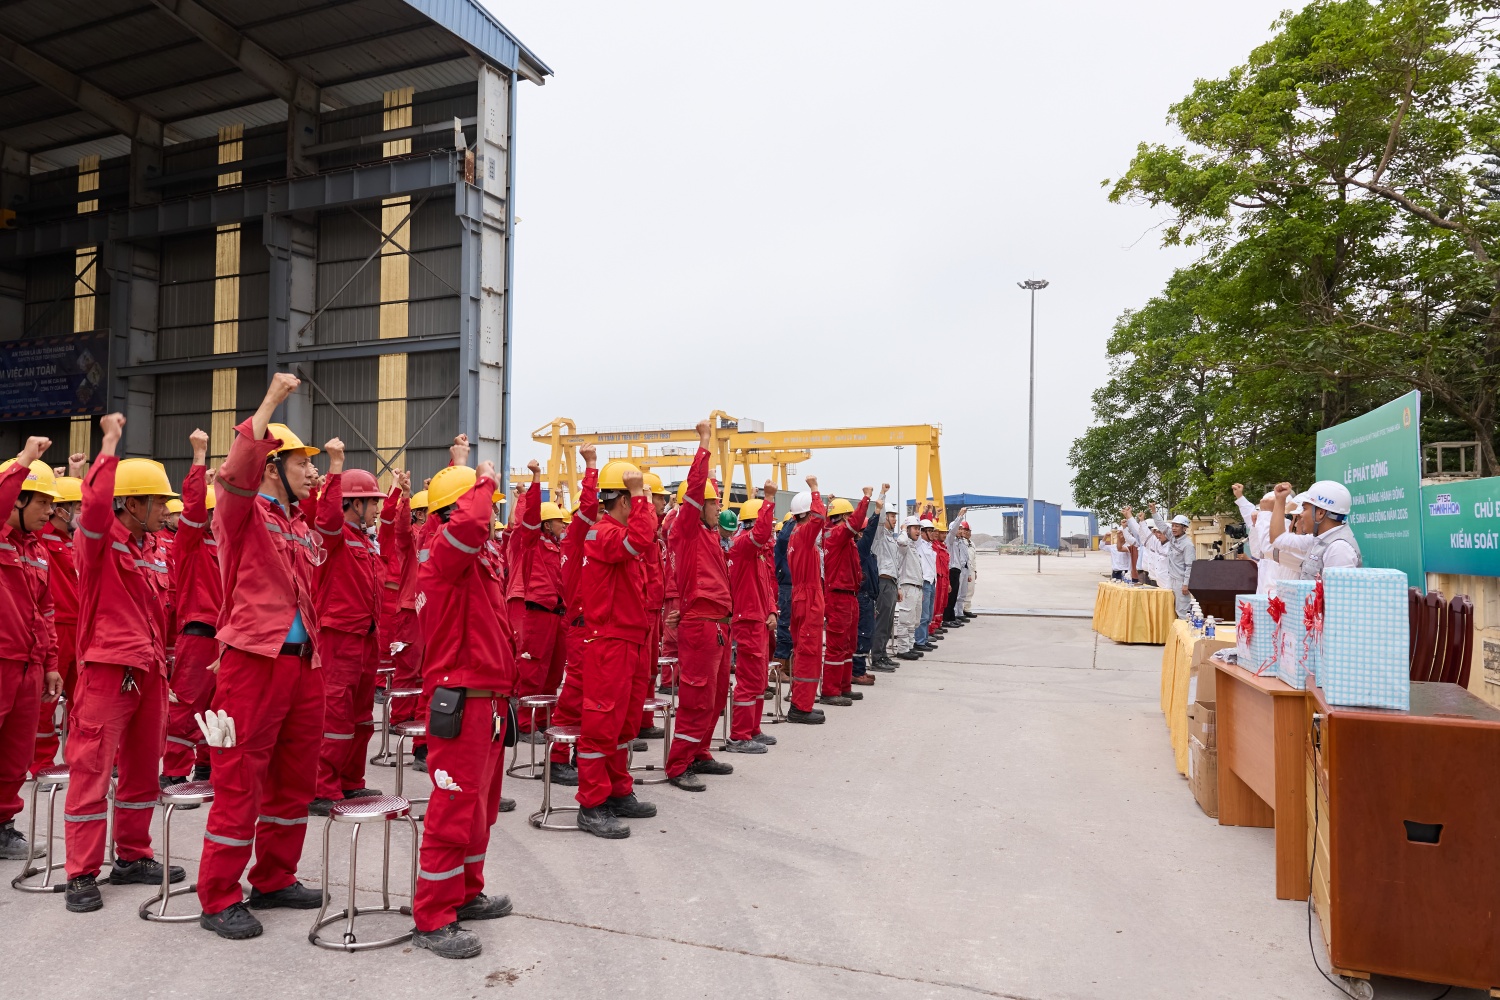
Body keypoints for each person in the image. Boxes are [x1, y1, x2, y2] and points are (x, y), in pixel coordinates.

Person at [196, 375, 332, 939]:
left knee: (293, 779)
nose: (311, 470)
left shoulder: (294, 523)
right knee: (240, 777)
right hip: (254, 660)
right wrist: (271, 403)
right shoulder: (240, 513)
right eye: (301, 462)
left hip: (302, 663)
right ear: (273, 465)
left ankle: (274, 877)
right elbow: (235, 474)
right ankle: (218, 896)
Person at [64, 416, 181, 912]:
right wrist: (108, 446)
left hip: (149, 669)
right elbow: (92, 508)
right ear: (131, 503)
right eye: (157, 502)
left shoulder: (154, 548)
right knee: (91, 768)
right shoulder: (99, 542)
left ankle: (132, 855)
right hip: (109, 670)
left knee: (141, 769)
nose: (164, 511)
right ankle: (81, 873)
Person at [410, 459, 517, 958]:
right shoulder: (442, 553)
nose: (491, 518)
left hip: (488, 699)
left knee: (479, 811)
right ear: (455, 511)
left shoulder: (472, 560)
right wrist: (486, 479)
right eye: (484, 506)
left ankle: (466, 895)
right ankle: (433, 917)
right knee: (453, 811)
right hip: (463, 700)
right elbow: (472, 524)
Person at [575, 459, 658, 837]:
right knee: (600, 724)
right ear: (624, 500)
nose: (647, 504)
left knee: (623, 724)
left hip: (629, 641)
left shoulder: (615, 536)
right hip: (609, 643)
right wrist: (641, 496)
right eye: (639, 498)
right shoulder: (602, 534)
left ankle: (617, 791)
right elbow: (641, 538)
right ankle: (592, 805)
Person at [308, 455, 389, 814]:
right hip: (338, 636)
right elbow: (325, 519)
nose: (377, 508)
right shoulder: (335, 535)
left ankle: (349, 781)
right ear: (354, 503)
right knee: (334, 715)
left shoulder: (366, 540)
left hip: (365, 636)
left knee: (360, 716)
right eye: (373, 501)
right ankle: (321, 787)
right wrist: (335, 470)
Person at [0, 442, 62, 860]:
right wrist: (23, 460)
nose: (49, 512)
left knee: (15, 753)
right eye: (41, 502)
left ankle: (3, 827)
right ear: (17, 499)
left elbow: (46, 609)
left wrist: (51, 663)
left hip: (28, 664)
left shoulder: (36, 550)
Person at [666, 420, 734, 790]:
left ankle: (700, 751)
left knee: (715, 693)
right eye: (713, 501)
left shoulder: (709, 537)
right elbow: (694, 490)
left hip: (719, 626)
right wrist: (704, 443)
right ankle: (679, 764)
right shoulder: (686, 530)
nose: (718, 506)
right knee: (696, 695)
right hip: (702, 626)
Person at [161, 430, 222, 788]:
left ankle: (206, 767)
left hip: (225, 638)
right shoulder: (191, 545)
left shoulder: (229, 547)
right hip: (199, 634)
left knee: (218, 707)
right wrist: (199, 458)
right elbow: (195, 507)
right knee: (186, 706)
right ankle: (172, 772)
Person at [548, 445, 599, 786]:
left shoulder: (571, 543)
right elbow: (589, 506)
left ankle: (581, 751)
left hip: (588, 626)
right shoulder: (576, 541)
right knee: (576, 694)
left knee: (589, 695)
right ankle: (558, 759)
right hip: (582, 628)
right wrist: (591, 467)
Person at [513, 461, 570, 741]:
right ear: (547, 523)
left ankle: (544, 720)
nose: (563, 523)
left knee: (554, 672)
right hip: (538, 614)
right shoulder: (533, 542)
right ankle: (526, 725)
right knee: (533, 670)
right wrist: (536, 479)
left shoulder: (558, 546)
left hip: (557, 616)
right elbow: (531, 515)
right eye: (559, 520)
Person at [32, 465, 81, 775]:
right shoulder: (42, 537)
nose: (82, 513)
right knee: (48, 700)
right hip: (58, 626)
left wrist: (77, 473)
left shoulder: (75, 540)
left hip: (82, 626)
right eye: (78, 507)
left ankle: (80, 759)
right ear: (59, 510)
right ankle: (41, 761)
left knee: (83, 701)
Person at [724, 482, 777, 752]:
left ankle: (753, 729)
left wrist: (770, 611)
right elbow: (762, 531)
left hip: (757, 618)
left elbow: (765, 585)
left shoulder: (755, 552)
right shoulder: (744, 545)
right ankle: (740, 735)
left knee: (758, 678)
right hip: (747, 621)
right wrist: (768, 499)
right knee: (748, 678)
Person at [820, 490, 871, 706]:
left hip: (849, 595)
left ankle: (843, 686)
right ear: (842, 518)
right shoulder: (836, 535)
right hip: (839, 597)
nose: (853, 520)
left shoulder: (840, 535)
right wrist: (865, 499)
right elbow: (856, 523)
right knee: (836, 645)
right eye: (848, 516)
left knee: (849, 644)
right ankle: (831, 691)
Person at [785, 476, 828, 724]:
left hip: (803, 595)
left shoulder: (795, 535)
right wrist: (815, 489)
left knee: (805, 650)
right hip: (808, 596)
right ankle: (801, 707)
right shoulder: (803, 533)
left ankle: (804, 702)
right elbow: (821, 517)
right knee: (809, 652)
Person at [1270, 481, 1360, 578]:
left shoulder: (1338, 548)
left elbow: (1338, 592)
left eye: (1304, 509)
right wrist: (1280, 499)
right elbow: (1278, 539)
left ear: (1320, 513)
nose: (1301, 514)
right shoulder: (1319, 540)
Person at [851, 489, 884, 683]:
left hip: (867, 597)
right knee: (862, 634)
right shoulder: (860, 548)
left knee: (866, 634)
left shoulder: (866, 551)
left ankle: (859, 669)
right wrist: (876, 511)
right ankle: (857, 672)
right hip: (862, 597)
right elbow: (871, 532)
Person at [867, 497, 899, 672]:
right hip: (883, 582)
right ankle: (877, 657)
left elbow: (896, 563)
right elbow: (879, 519)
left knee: (888, 623)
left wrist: (898, 585)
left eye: (895, 516)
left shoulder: (891, 539)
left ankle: (883, 654)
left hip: (892, 583)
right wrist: (883, 494)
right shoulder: (879, 536)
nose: (894, 519)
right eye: (891, 516)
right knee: (881, 622)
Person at [1151, 507, 1197, 619]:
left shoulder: (1188, 545)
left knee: (1182, 612)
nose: (1174, 528)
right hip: (1170, 579)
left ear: (1184, 528)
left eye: (1177, 526)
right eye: (1173, 526)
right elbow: (1161, 526)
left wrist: (1186, 584)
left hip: (1181, 583)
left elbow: (1190, 566)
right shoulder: (1172, 538)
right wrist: (1154, 512)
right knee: (1170, 610)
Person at [891, 516, 926, 661]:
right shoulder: (904, 545)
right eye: (915, 528)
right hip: (908, 586)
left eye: (919, 528)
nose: (918, 531)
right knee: (905, 620)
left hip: (917, 587)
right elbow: (901, 541)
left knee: (914, 621)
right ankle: (903, 649)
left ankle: (910, 646)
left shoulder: (913, 546)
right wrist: (904, 530)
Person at [912, 520, 939, 652]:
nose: (932, 533)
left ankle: (925, 639)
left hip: (932, 582)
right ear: (922, 532)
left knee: (928, 614)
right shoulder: (919, 545)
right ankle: (919, 641)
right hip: (924, 582)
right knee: (923, 615)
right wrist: (918, 512)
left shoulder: (929, 545)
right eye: (929, 531)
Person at [944, 509, 971, 625]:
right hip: (951, 569)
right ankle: (949, 617)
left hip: (959, 570)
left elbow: (966, 558)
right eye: (959, 529)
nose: (960, 531)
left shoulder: (961, 542)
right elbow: (953, 530)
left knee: (957, 595)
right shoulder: (950, 540)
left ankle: (954, 616)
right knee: (951, 596)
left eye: (961, 529)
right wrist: (959, 516)